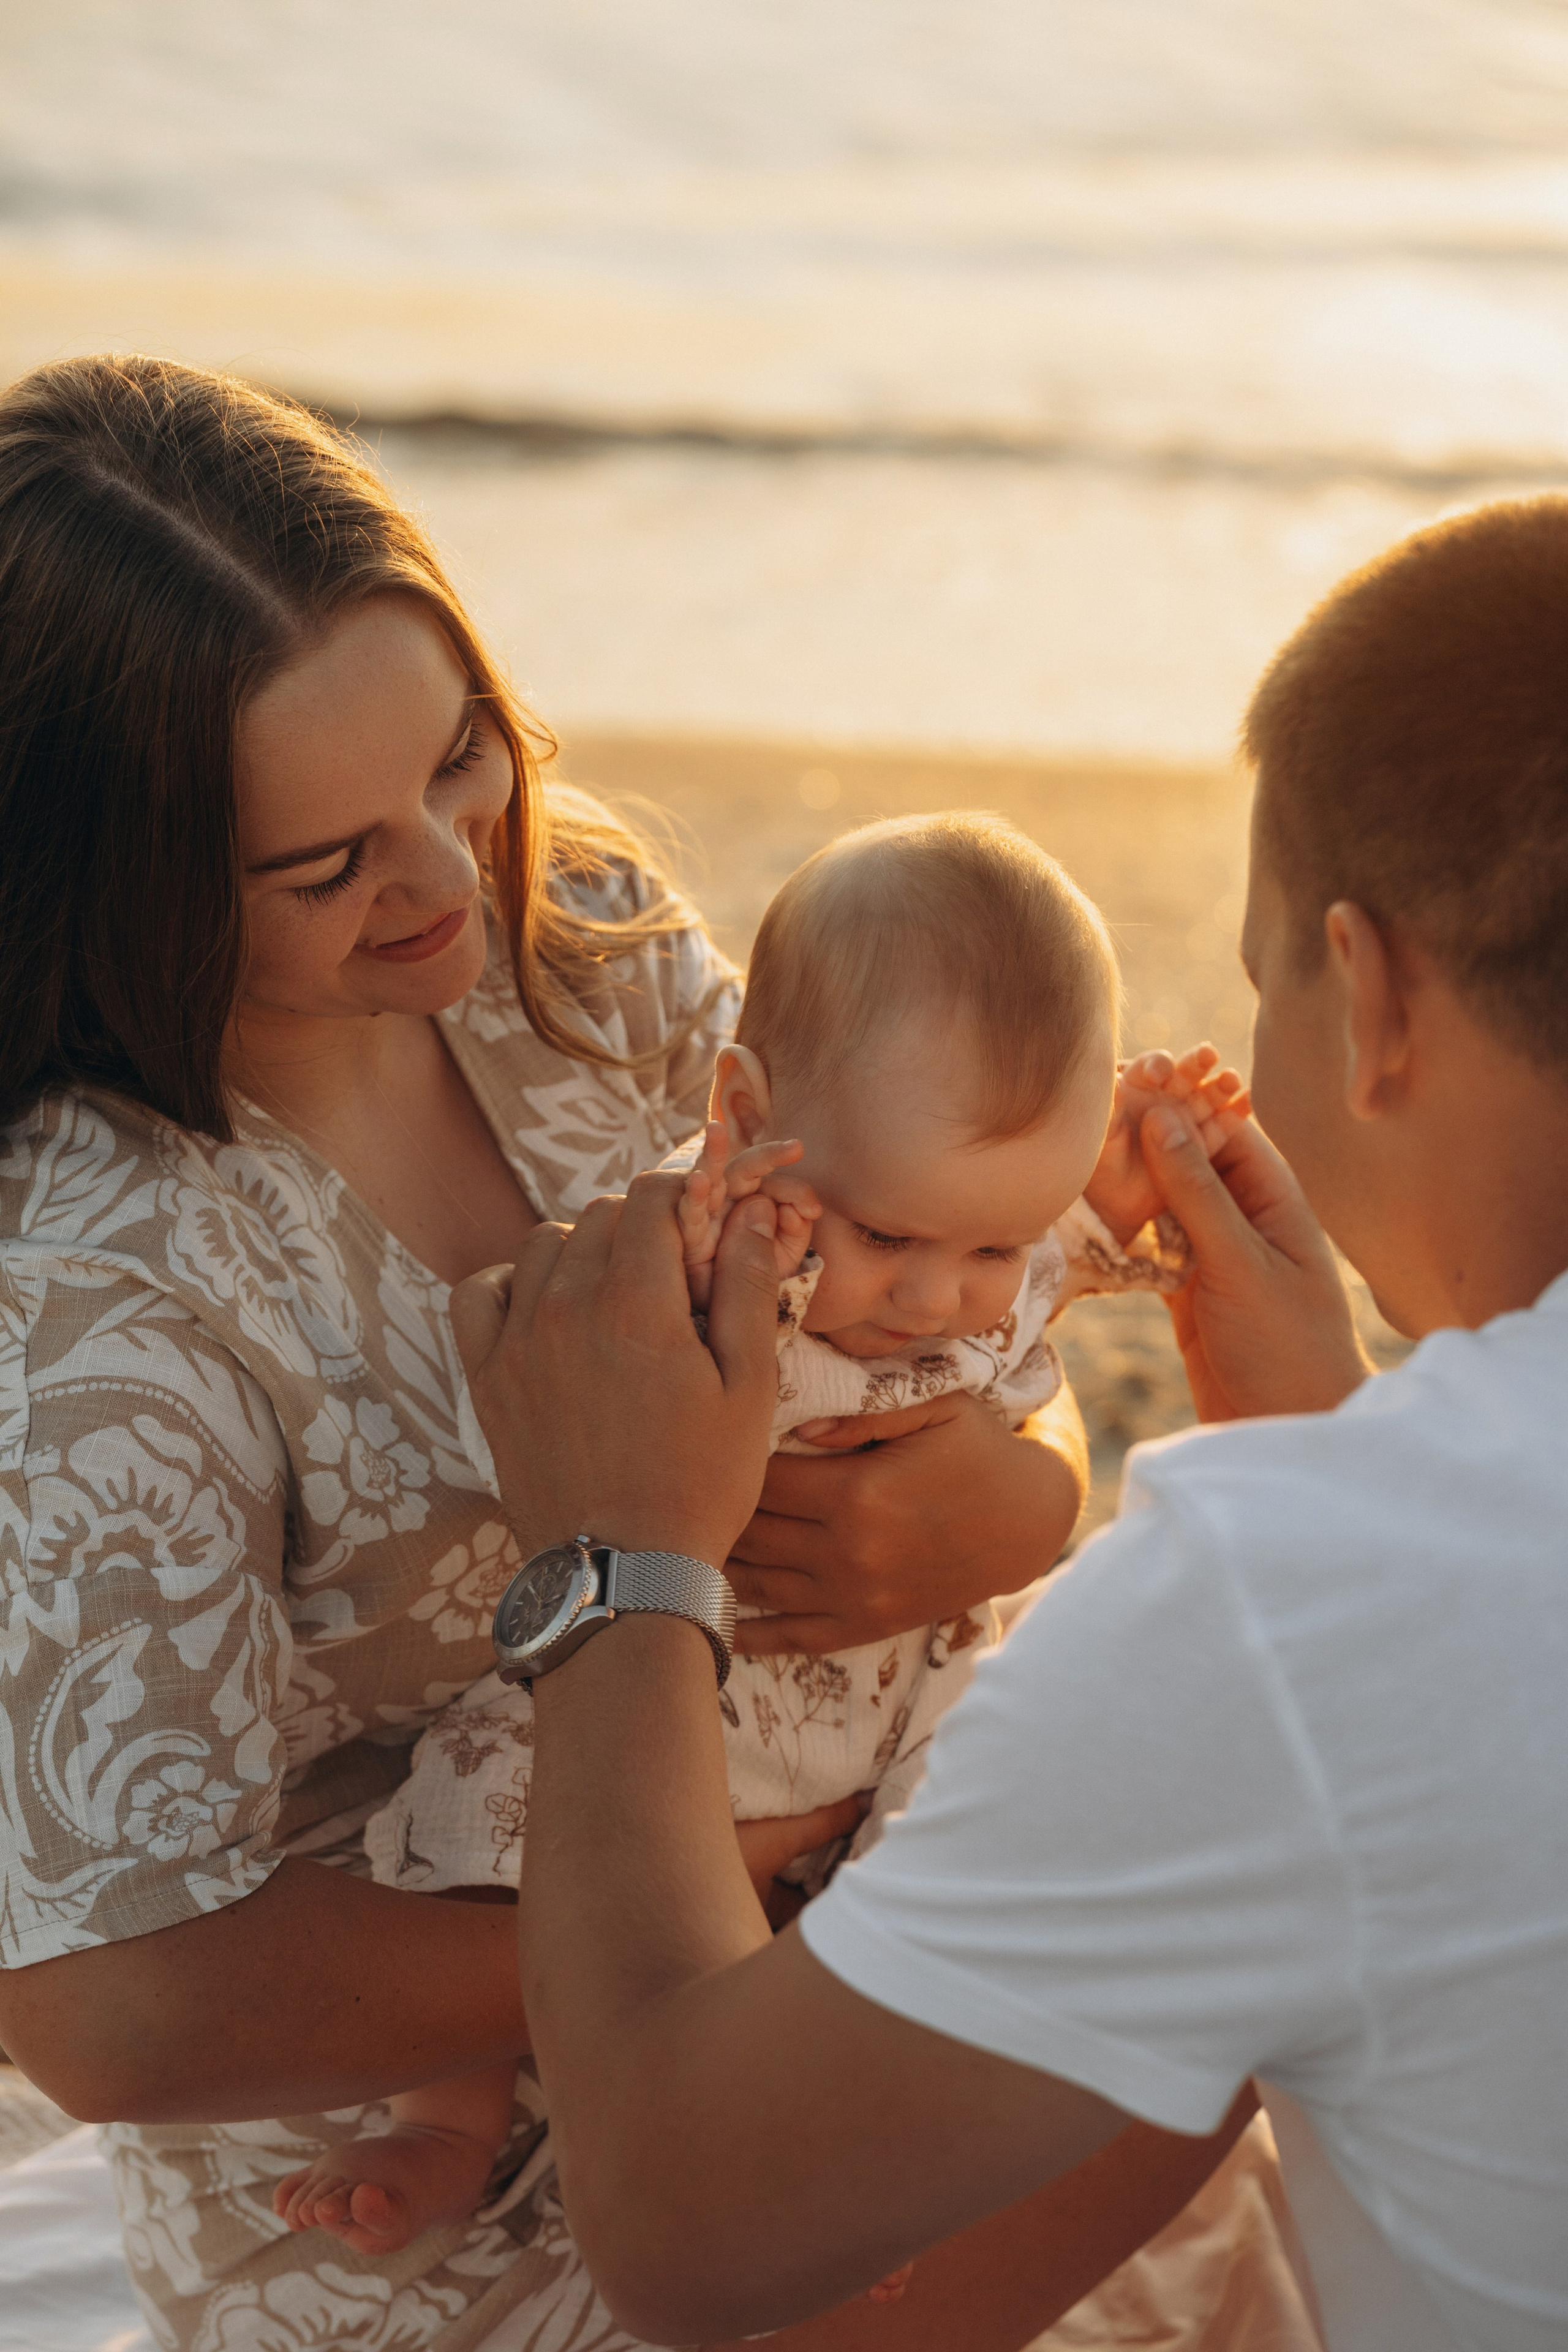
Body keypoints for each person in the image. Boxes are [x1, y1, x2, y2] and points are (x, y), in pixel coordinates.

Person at [0, 352, 1280, 2352]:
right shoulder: (80, 1297)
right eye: (323, 863)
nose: (441, 882)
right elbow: (107, 2008)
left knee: (1282, 1972)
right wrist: (734, 1892)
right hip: (416, 2139)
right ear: (105, 877)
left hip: (825, 1890)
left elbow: (911, 1319)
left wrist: (1000, 1516)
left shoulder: (572, 921)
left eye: (455, 760)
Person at [448, 496, 1568, 2352]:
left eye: (1267, 962)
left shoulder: (1298, 1612)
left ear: (1366, 1001)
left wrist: (620, 1568)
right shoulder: (1351, 1586)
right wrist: (1330, 1443)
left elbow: (679, 2221)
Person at [273, 812, 1249, 2256]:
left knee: (962, 1865)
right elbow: (576, 1352)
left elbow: (1091, 1249)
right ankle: (442, 2125)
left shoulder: (987, 1235)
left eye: (989, 1247)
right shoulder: (715, 1244)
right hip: (673, 1699)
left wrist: (1138, 1168)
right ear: (741, 1116)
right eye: (887, 1238)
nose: (937, 1298)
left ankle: (891, 2134)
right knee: (490, 1808)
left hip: (900, 1689)